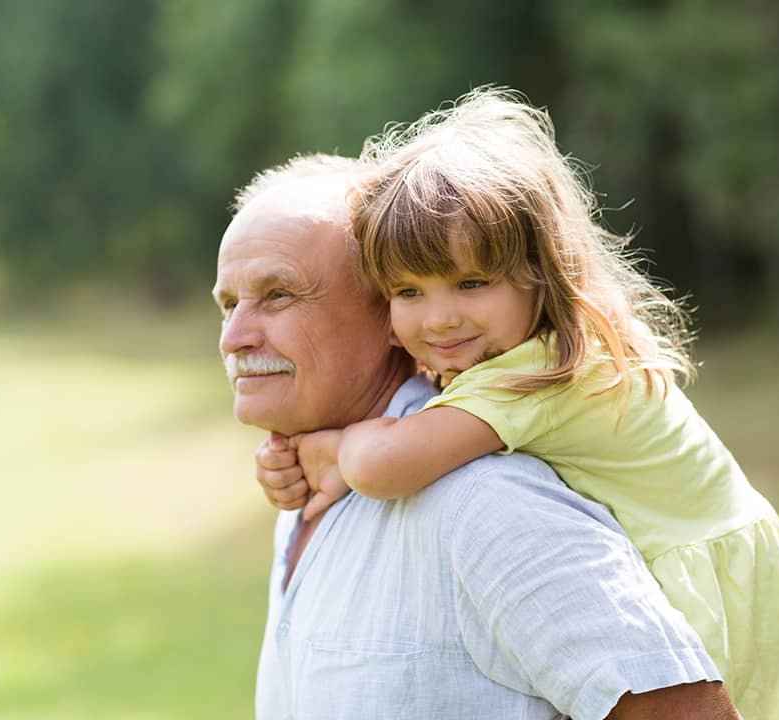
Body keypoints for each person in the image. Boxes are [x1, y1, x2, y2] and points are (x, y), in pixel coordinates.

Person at [260, 89, 779, 719]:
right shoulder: (519, 350)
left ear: (540, 273)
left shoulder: (537, 375)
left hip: (714, 586)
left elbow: (386, 466)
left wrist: (335, 447)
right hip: (726, 557)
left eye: (471, 283)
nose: (439, 319)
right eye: (408, 291)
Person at [215, 151, 740, 719]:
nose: (234, 337)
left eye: (279, 295)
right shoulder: (305, 490)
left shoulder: (486, 502)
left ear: (384, 311)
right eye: (227, 305)